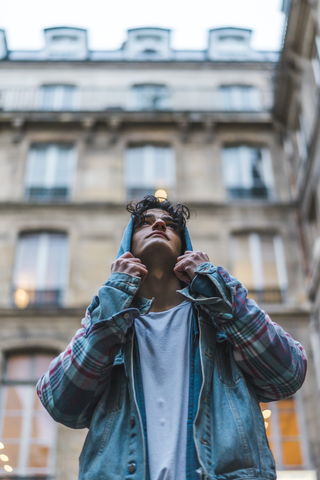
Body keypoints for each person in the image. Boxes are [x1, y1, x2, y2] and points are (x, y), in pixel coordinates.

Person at [37, 195, 307, 480]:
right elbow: (60, 402)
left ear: (184, 247)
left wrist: (215, 285)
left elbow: (287, 373)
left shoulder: (217, 315)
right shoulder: (108, 318)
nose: (159, 225)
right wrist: (114, 298)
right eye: (145, 222)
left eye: (170, 225)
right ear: (127, 247)